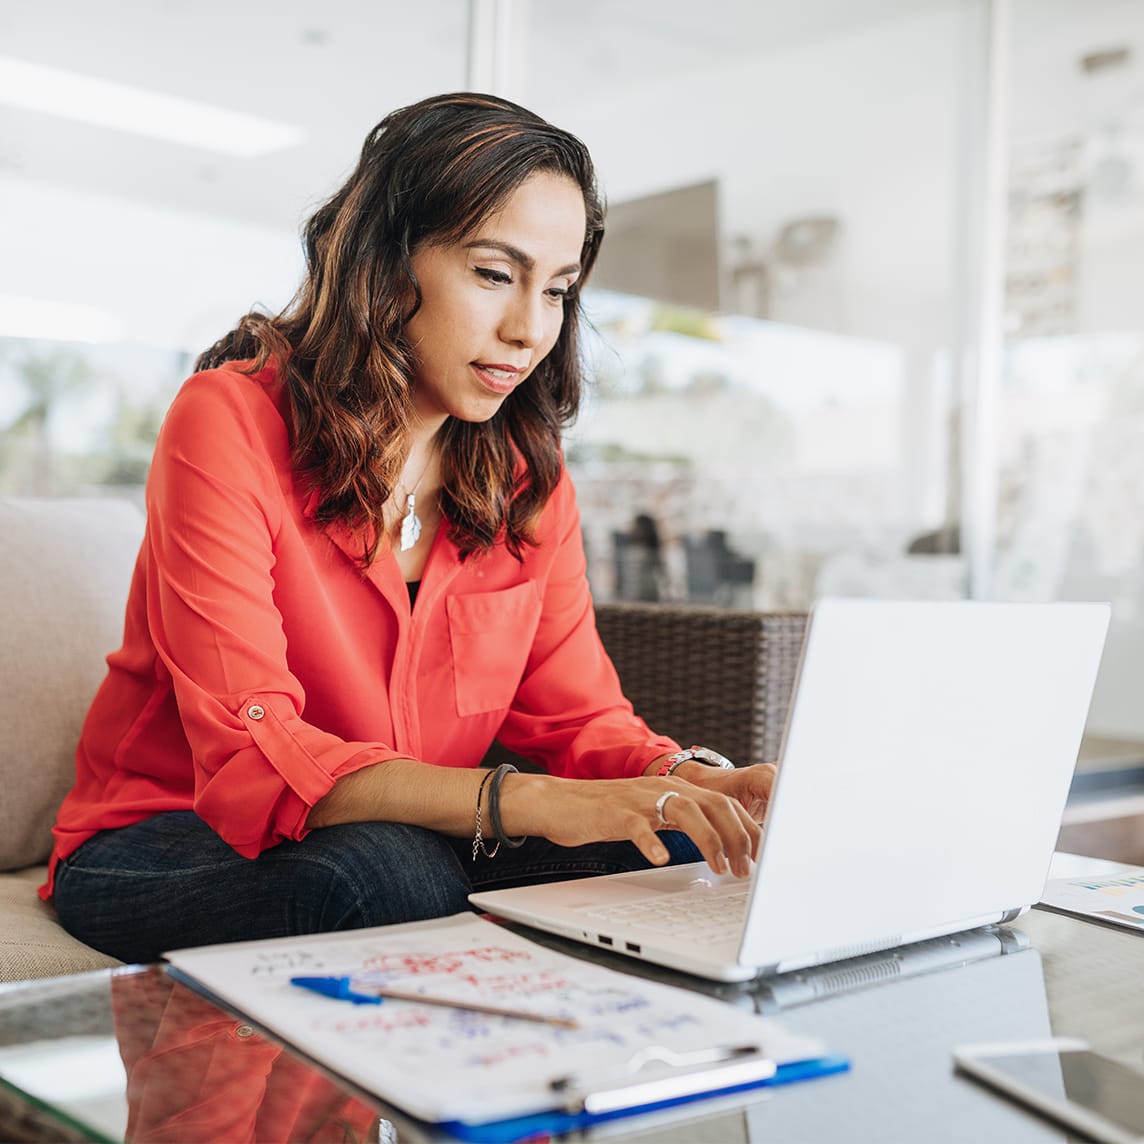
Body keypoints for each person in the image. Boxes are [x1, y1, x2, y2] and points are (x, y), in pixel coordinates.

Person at [43, 92, 776, 964]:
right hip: (168, 838)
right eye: (494, 274)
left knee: (688, 845)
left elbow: (582, 722)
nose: (529, 329)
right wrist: (534, 806)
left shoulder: (525, 480)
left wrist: (690, 782)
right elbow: (254, 754)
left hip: (422, 833)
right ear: (387, 262)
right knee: (389, 875)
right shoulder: (228, 420)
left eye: (558, 290)